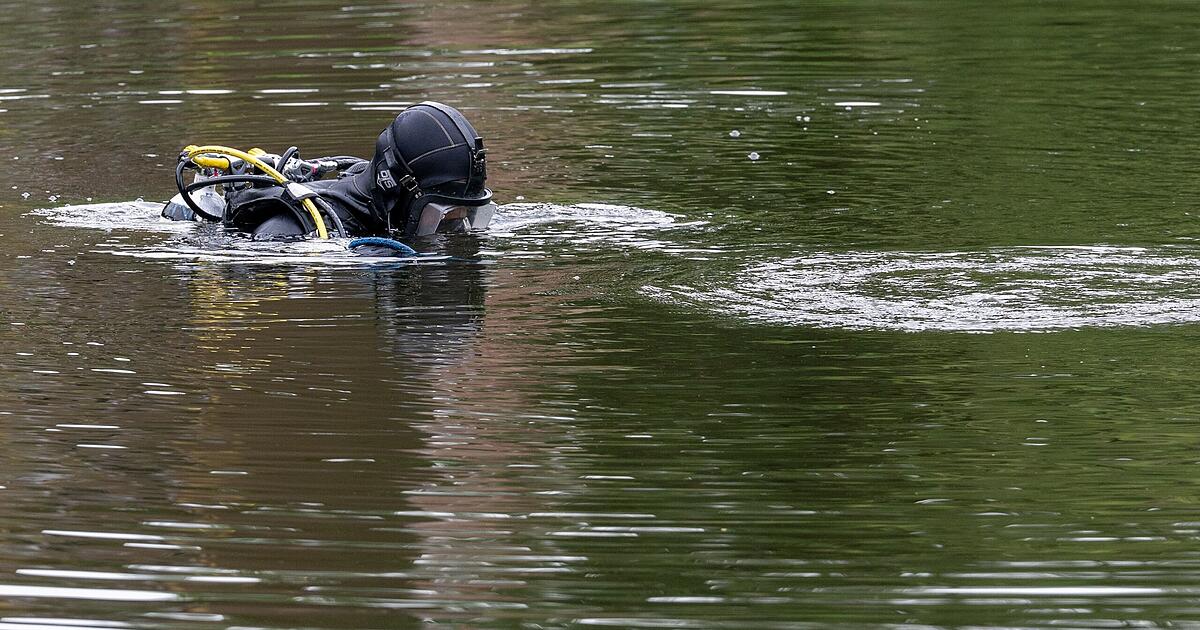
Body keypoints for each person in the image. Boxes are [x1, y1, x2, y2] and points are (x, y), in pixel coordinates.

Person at [163, 101, 496, 242]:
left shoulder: (388, 210)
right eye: (444, 218)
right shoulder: (297, 229)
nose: (461, 231)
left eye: (472, 215)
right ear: (393, 185)